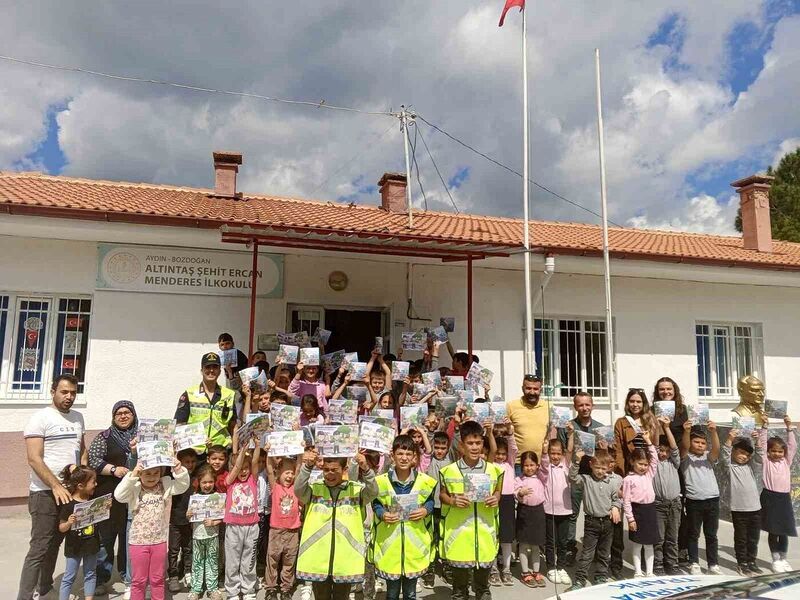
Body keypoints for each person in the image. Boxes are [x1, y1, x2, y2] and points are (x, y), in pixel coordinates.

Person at [19, 373, 87, 600]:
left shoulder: (78, 418)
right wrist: (56, 485)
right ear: (53, 392)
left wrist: (83, 477)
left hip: (69, 492)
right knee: (40, 546)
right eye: (64, 392)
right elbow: (34, 458)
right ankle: (25, 596)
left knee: (56, 542)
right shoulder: (40, 418)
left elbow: (82, 449)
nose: (69, 397)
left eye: (73, 393)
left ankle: (45, 588)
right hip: (45, 493)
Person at [295, 448, 378, 600]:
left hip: (345, 561)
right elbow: (298, 490)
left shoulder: (356, 491)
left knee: (342, 597)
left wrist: (366, 469)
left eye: (334, 470)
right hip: (318, 560)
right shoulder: (315, 489)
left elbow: (373, 492)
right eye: (326, 470)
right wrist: (307, 467)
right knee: (321, 597)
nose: (330, 474)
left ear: (344, 469)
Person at [439, 420, 504, 600]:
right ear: (461, 446)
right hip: (458, 536)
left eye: (478, 443)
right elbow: (442, 495)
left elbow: (498, 491)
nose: (475, 447)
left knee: (483, 588)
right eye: (470, 443)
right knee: (460, 589)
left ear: (483, 444)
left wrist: (495, 498)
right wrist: (452, 501)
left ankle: (482, 591)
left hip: (485, 534)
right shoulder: (448, 471)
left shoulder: (494, 470)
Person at [114, 457, 191, 600]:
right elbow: (118, 495)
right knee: (139, 581)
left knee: (157, 579)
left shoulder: (165, 486)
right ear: (140, 474)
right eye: (147, 473)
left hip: (159, 541)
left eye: (156, 473)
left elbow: (183, 485)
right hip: (138, 541)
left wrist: (178, 469)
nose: (152, 477)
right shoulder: (134, 488)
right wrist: (132, 475)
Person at [371, 434, 437, 600]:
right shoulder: (381, 481)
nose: (404, 458)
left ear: (414, 457)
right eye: (400, 453)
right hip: (390, 546)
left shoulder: (424, 481)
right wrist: (382, 514)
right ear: (393, 455)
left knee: (410, 593)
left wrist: (425, 511)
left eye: (408, 454)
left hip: (413, 546)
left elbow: (429, 502)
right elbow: (376, 503)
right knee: (392, 593)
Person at [87, 400, 138, 596]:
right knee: (105, 539)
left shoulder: (143, 436)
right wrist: (114, 470)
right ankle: (101, 577)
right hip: (108, 496)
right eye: (119, 413)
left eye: (127, 413)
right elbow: (93, 460)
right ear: (113, 416)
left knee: (129, 537)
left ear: (133, 415)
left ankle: (128, 577)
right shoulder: (104, 437)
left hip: (133, 496)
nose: (123, 416)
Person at [556, 392, 604, 564]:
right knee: (572, 515)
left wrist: (603, 448)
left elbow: (606, 458)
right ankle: (570, 549)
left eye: (587, 404)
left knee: (596, 514)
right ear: (575, 407)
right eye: (580, 405)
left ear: (593, 405)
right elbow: (561, 454)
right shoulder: (568, 427)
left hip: (594, 477)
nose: (584, 408)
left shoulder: (600, 428)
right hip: (574, 476)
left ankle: (597, 551)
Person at [565, 449, 622, 591]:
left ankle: (601, 576)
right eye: (597, 468)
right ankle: (580, 579)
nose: (600, 471)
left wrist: (615, 507)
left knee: (604, 553)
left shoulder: (612, 483)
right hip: (591, 522)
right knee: (587, 554)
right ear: (591, 465)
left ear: (609, 467)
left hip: (608, 522)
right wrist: (577, 461)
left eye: (603, 468)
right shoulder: (586, 480)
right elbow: (572, 478)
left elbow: (616, 499)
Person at [679, 419, 721, 575]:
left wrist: (713, 432)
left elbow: (717, 449)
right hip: (694, 502)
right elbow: (683, 447)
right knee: (693, 534)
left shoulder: (708, 457)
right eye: (696, 442)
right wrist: (687, 431)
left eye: (703, 443)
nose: (700, 445)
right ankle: (694, 562)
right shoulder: (685, 458)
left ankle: (713, 564)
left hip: (712, 501)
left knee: (711, 535)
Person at [175, 352, 237, 453]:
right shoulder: (189, 394)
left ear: (219, 371)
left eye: (215, 367)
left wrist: (234, 453)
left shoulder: (229, 395)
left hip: (220, 453)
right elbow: (179, 425)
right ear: (202, 370)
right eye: (208, 367)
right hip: (194, 454)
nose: (211, 370)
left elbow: (233, 426)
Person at [758, 414, 797, 573]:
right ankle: (775, 559)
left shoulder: (786, 461)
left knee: (785, 530)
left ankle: (783, 558)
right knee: (773, 530)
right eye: (773, 451)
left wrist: (789, 427)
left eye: (780, 451)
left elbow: (792, 446)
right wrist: (764, 426)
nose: (777, 454)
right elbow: (761, 445)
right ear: (768, 452)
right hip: (770, 497)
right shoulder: (766, 461)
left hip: (784, 498)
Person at [224, 439, 262, 600]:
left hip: (252, 526)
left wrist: (257, 446)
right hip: (233, 527)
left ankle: (247, 589)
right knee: (233, 561)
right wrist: (241, 451)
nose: (243, 471)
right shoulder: (229, 482)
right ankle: (232, 590)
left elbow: (254, 462)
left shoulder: (253, 480)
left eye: (246, 469)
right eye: (240, 468)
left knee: (249, 560)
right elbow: (237, 467)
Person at [263, 445, 302, 600]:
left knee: (289, 561)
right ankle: (271, 588)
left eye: (291, 473)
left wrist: (300, 449)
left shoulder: (296, 487)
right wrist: (268, 451)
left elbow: (299, 468)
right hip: (276, 530)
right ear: (279, 474)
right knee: (272, 560)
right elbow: (269, 467)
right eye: (286, 472)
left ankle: (286, 588)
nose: (290, 476)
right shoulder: (275, 487)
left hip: (292, 531)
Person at [722, 426, 762, 575]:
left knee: (753, 538)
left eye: (746, 454)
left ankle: (751, 561)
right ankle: (742, 563)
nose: (743, 456)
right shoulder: (730, 467)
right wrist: (730, 438)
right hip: (739, 510)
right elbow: (724, 455)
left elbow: (759, 457)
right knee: (741, 539)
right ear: (734, 452)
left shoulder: (752, 468)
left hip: (755, 509)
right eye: (740, 452)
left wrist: (757, 440)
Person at [57, 464, 100, 600]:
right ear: (81, 486)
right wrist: (69, 522)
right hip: (74, 547)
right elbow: (61, 528)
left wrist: (104, 508)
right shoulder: (69, 504)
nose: (96, 484)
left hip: (92, 544)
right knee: (69, 577)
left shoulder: (93, 500)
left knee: (91, 573)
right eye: (93, 482)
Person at [622, 433, 659, 577]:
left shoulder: (649, 474)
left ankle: (649, 572)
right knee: (637, 544)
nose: (643, 467)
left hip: (650, 511)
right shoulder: (628, 480)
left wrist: (648, 440)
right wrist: (630, 519)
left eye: (645, 464)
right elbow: (626, 501)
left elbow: (654, 459)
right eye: (640, 464)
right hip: (637, 512)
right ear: (632, 462)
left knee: (649, 544)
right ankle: (637, 571)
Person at [186, 464, 224, 600]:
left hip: (213, 535)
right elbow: (189, 516)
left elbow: (222, 516)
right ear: (199, 482)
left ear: (214, 482)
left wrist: (214, 522)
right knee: (197, 562)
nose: (207, 485)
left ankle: (212, 588)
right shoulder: (195, 497)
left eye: (210, 482)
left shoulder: (217, 497)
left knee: (212, 562)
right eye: (204, 482)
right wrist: (189, 514)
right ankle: (196, 589)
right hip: (197, 536)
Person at [422, 431, 454, 588]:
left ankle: (447, 567)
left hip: (447, 505)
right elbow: (427, 448)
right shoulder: (429, 459)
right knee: (432, 537)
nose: (440, 451)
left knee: (445, 536)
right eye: (437, 447)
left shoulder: (451, 459)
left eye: (443, 448)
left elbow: (457, 442)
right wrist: (424, 431)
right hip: (431, 505)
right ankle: (430, 568)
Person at [486, 422, 517, 586]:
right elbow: (491, 450)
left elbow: (513, 449)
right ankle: (492, 569)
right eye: (498, 453)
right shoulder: (490, 464)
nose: (500, 456)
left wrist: (511, 433)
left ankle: (506, 569)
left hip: (508, 500)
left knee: (506, 537)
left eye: (503, 454)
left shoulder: (510, 463)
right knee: (493, 535)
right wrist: (489, 433)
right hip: (493, 500)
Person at [514, 451, 548, 588]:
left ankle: (536, 572)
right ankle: (525, 573)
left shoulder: (541, 477)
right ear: (521, 466)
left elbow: (546, 466)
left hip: (538, 513)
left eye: (532, 465)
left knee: (536, 545)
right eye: (526, 465)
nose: (529, 468)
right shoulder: (519, 480)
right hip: (524, 512)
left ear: (537, 465)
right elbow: (515, 491)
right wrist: (520, 493)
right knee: (523, 544)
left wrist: (544, 452)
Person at [653, 416, 682, 575]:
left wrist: (667, 428)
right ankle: (658, 565)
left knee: (673, 538)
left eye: (666, 451)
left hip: (674, 504)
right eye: (661, 451)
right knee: (659, 538)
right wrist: (657, 427)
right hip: (658, 505)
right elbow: (655, 446)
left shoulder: (674, 462)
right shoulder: (653, 463)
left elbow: (675, 447)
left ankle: (672, 564)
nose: (663, 454)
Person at [542, 435, 572, 586]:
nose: (555, 456)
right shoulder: (546, 468)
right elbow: (544, 459)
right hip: (549, 511)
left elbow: (570, 451)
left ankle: (561, 567)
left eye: (558, 453)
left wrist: (571, 434)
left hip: (565, 510)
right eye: (552, 453)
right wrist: (544, 448)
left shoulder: (565, 466)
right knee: (550, 541)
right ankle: (550, 567)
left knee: (562, 542)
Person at [168, 448, 198, 592]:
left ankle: (188, 572)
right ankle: (173, 575)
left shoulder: (197, 479)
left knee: (188, 549)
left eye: (193, 461)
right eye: (187, 462)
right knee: (173, 550)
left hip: (189, 522)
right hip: (174, 521)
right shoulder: (174, 479)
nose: (190, 464)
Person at [506, 375, 549, 470]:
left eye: (536, 389)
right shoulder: (511, 406)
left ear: (540, 390)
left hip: (541, 463)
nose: (532, 392)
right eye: (528, 388)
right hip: (519, 464)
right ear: (522, 388)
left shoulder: (549, 407)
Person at [613, 388, 658, 476]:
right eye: (632, 401)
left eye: (638, 402)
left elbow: (656, 446)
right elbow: (618, 451)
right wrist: (621, 473)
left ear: (643, 403)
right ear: (627, 403)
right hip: (630, 468)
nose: (635, 404)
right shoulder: (621, 422)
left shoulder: (651, 421)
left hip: (649, 468)